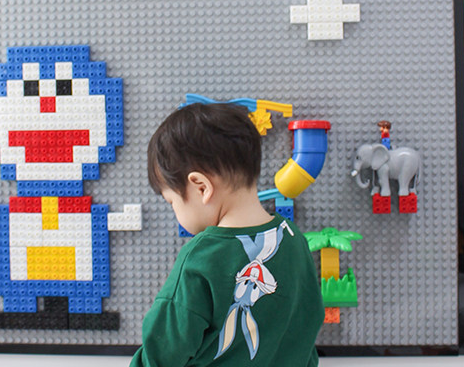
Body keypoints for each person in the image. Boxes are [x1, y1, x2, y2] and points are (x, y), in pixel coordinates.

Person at [129, 102, 324, 366]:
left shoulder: (201, 258)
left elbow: (162, 354)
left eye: (172, 201)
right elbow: (306, 332)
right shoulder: (294, 240)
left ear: (201, 187)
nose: (175, 211)